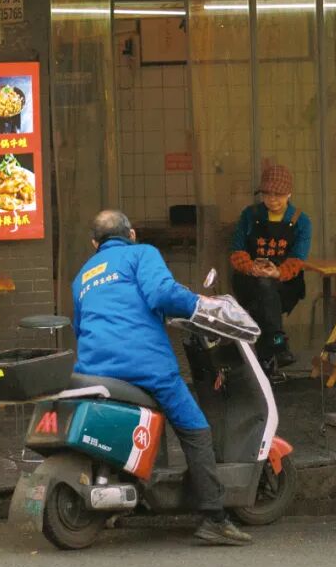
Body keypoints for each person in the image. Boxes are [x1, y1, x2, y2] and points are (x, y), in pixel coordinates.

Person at [72, 209, 253, 546]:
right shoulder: (142, 254)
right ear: (132, 233)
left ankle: (127, 502)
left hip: (94, 369)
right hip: (146, 366)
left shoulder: (82, 275)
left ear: (94, 243)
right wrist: (200, 303)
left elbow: (79, 327)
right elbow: (162, 295)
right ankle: (214, 517)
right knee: (195, 428)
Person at [229, 164, 312, 369]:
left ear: (289, 194)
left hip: (285, 285)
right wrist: (250, 267)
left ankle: (266, 355)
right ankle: (278, 345)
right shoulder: (250, 215)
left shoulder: (301, 221)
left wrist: (279, 271)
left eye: (278, 194)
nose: (272, 200)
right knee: (262, 287)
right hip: (249, 280)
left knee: (265, 292)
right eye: (267, 194)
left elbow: (298, 258)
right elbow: (237, 249)